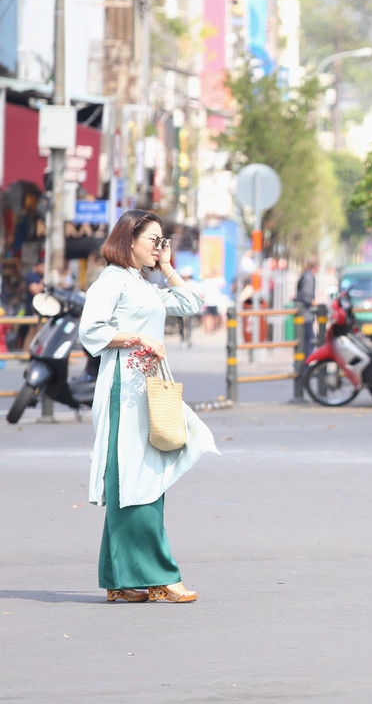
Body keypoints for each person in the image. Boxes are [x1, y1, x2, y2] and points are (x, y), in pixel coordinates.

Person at [78, 210, 219, 604]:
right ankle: (159, 575)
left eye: (162, 242)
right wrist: (138, 339)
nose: (158, 248)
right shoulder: (111, 281)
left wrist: (169, 266)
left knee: (140, 477)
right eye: (153, 240)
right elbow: (91, 330)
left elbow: (191, 303)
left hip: (149, 385)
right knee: (135, 479)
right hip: (126, 384)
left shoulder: (141, 283)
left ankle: (120, 579)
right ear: (129, 239)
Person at [295, 259, 319, 349]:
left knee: (304, 342)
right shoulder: (308, 278)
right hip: (305, 315)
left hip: (304, 315)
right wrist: (315, 303)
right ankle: (304, 363)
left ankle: (302, 362)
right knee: (309, 342)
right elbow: (306, 297)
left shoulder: (306, 276)